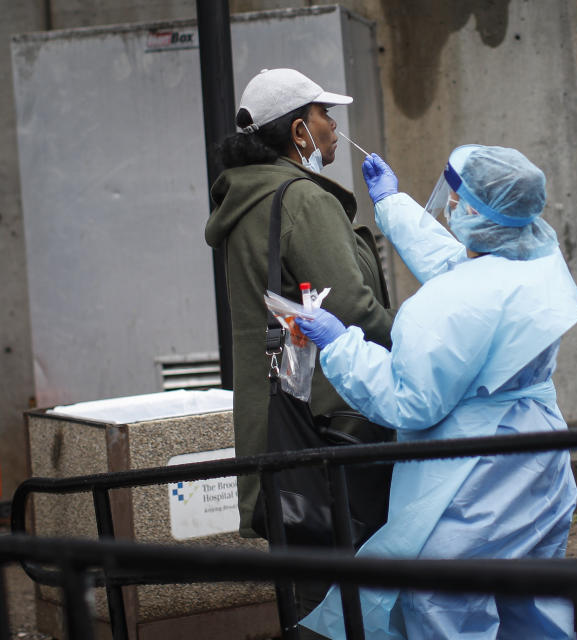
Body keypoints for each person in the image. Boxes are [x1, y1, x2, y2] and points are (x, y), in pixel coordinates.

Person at [297, 145, 577, 639]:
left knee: (446, 602)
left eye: (457, 199)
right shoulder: (536, 255)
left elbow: (408, 401)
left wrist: (340, 344)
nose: (449, 205)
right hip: (539, 455)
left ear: (474, 213)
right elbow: (462, 264)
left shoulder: (447, 306)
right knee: (533, 598)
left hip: (476, 472)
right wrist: (393, 205)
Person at [203, 68, 395, 633]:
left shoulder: (248, 201)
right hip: (335, 426)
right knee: (357, 592)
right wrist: (421, 342)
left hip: (280, 428)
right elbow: (357, 310)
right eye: (322, 115)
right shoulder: (304, 200)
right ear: (298, 132)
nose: (334, 125)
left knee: (311, 592)